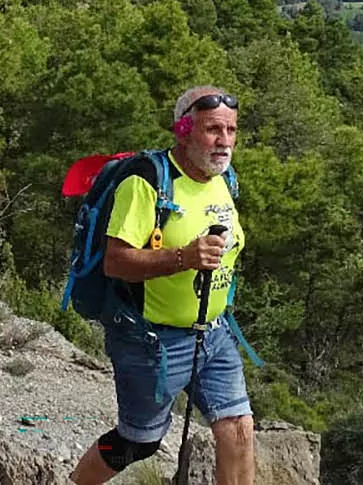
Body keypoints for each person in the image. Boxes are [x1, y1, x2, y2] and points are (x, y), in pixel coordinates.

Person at [68, 86, 253, 485]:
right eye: (212, 130)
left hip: (213, 333)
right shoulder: (146, 181)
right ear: (183, 130)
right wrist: (183, 258)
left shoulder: (225, 179)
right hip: (150, 340)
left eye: (232, 130)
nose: (224, 141)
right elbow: (117, 261)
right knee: (138, 442)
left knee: (237, 428)